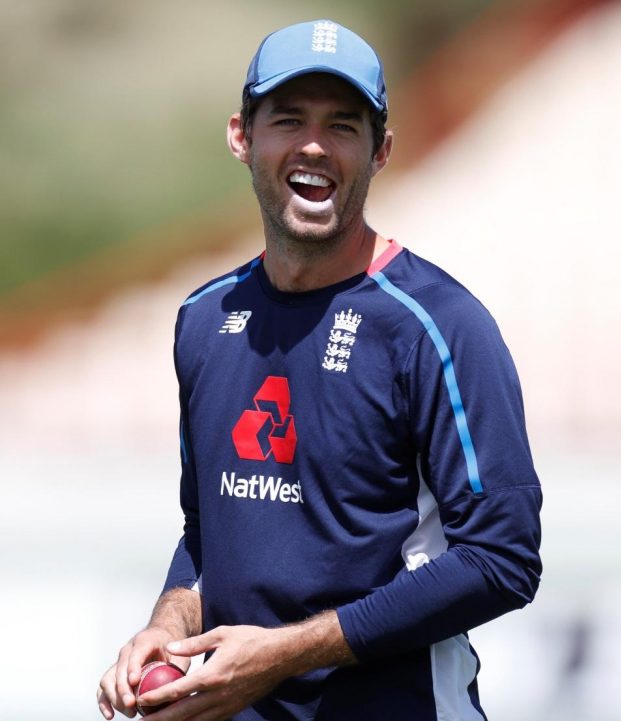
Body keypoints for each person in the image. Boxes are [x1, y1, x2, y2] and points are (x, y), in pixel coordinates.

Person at [97, 19, 542, 721]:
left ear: (381, 151)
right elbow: (210, 536)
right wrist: (167, 626)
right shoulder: (204, 319)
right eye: (289, 119)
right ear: (242, 137)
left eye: (342, 125)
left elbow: (502, 559)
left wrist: (283, 654)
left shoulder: (440, 326)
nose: (313, 145)